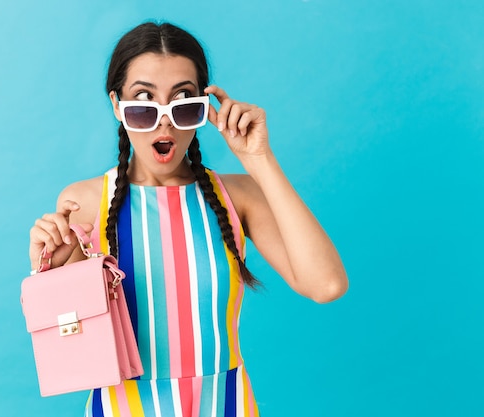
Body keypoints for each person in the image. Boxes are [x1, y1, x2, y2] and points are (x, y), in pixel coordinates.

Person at [29, 21, 348, 416]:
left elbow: (327, 284)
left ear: (203, 109)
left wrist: (259, 160)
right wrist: (55, 275)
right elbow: (75, 346)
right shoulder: (84, 201)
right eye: (144, 102)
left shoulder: (237, 196)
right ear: (117, 105)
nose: (165, 122)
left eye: (183, 103)